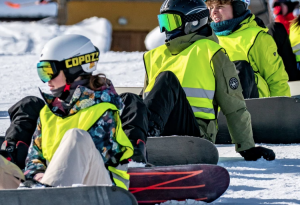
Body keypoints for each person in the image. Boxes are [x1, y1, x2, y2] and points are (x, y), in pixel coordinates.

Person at [0, 34, 150, 189]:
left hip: (103, 188)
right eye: (42, 72)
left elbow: (95, 158)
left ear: (73, 68)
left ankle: (45, 196)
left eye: (50, 71)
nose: (47, 80)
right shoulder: (48, 112)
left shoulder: (104, 109)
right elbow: (34, 158)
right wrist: (37, 175)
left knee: (77, 137)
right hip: (52, 186)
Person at [143, 0, 275, 163]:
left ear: (193, 21)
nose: (165, 29)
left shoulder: (210, 51)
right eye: (163, 23)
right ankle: (122, 142)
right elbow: (149, 102)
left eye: (171, 22)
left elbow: (234, 106)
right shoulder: (154, 56)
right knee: (128, 99)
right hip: (160, 129)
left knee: (167, 79)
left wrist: (246, 147)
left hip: (195, 134)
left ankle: (143, 138)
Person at [204, 0, 291, 99]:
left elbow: (276, 80)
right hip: (216, 108)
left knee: (240, 68)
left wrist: (280, 110)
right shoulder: (207, 40)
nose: (213, 12)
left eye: (219, 6)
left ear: (238, 7)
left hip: (254, 107)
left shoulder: (256, 38)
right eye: (210, 8)